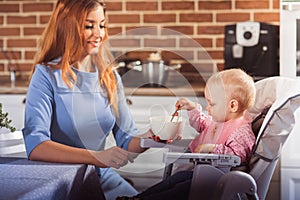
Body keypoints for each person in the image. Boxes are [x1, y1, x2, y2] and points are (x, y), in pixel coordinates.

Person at [22, 0, 152, 199]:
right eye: (89, 26)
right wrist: (96, 157)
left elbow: (126, 138)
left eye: (102, 25)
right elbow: (36, 145)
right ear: (68, 28)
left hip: (102, 177)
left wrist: (153, 138)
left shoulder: (109, 78)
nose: (99, 34)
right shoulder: (46, 75)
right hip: (62, 182)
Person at [117, 68, 257, 200]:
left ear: (232, 106)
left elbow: (238, 156)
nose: (208, 108)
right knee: (176, 179)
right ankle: (140, 197)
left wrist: (212, 149)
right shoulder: (220, 121)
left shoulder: (241, 131)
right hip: (202, 175)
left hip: (219, 182)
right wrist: (192, 109)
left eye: (212, 104)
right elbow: (203, 124)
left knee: (181, 189)